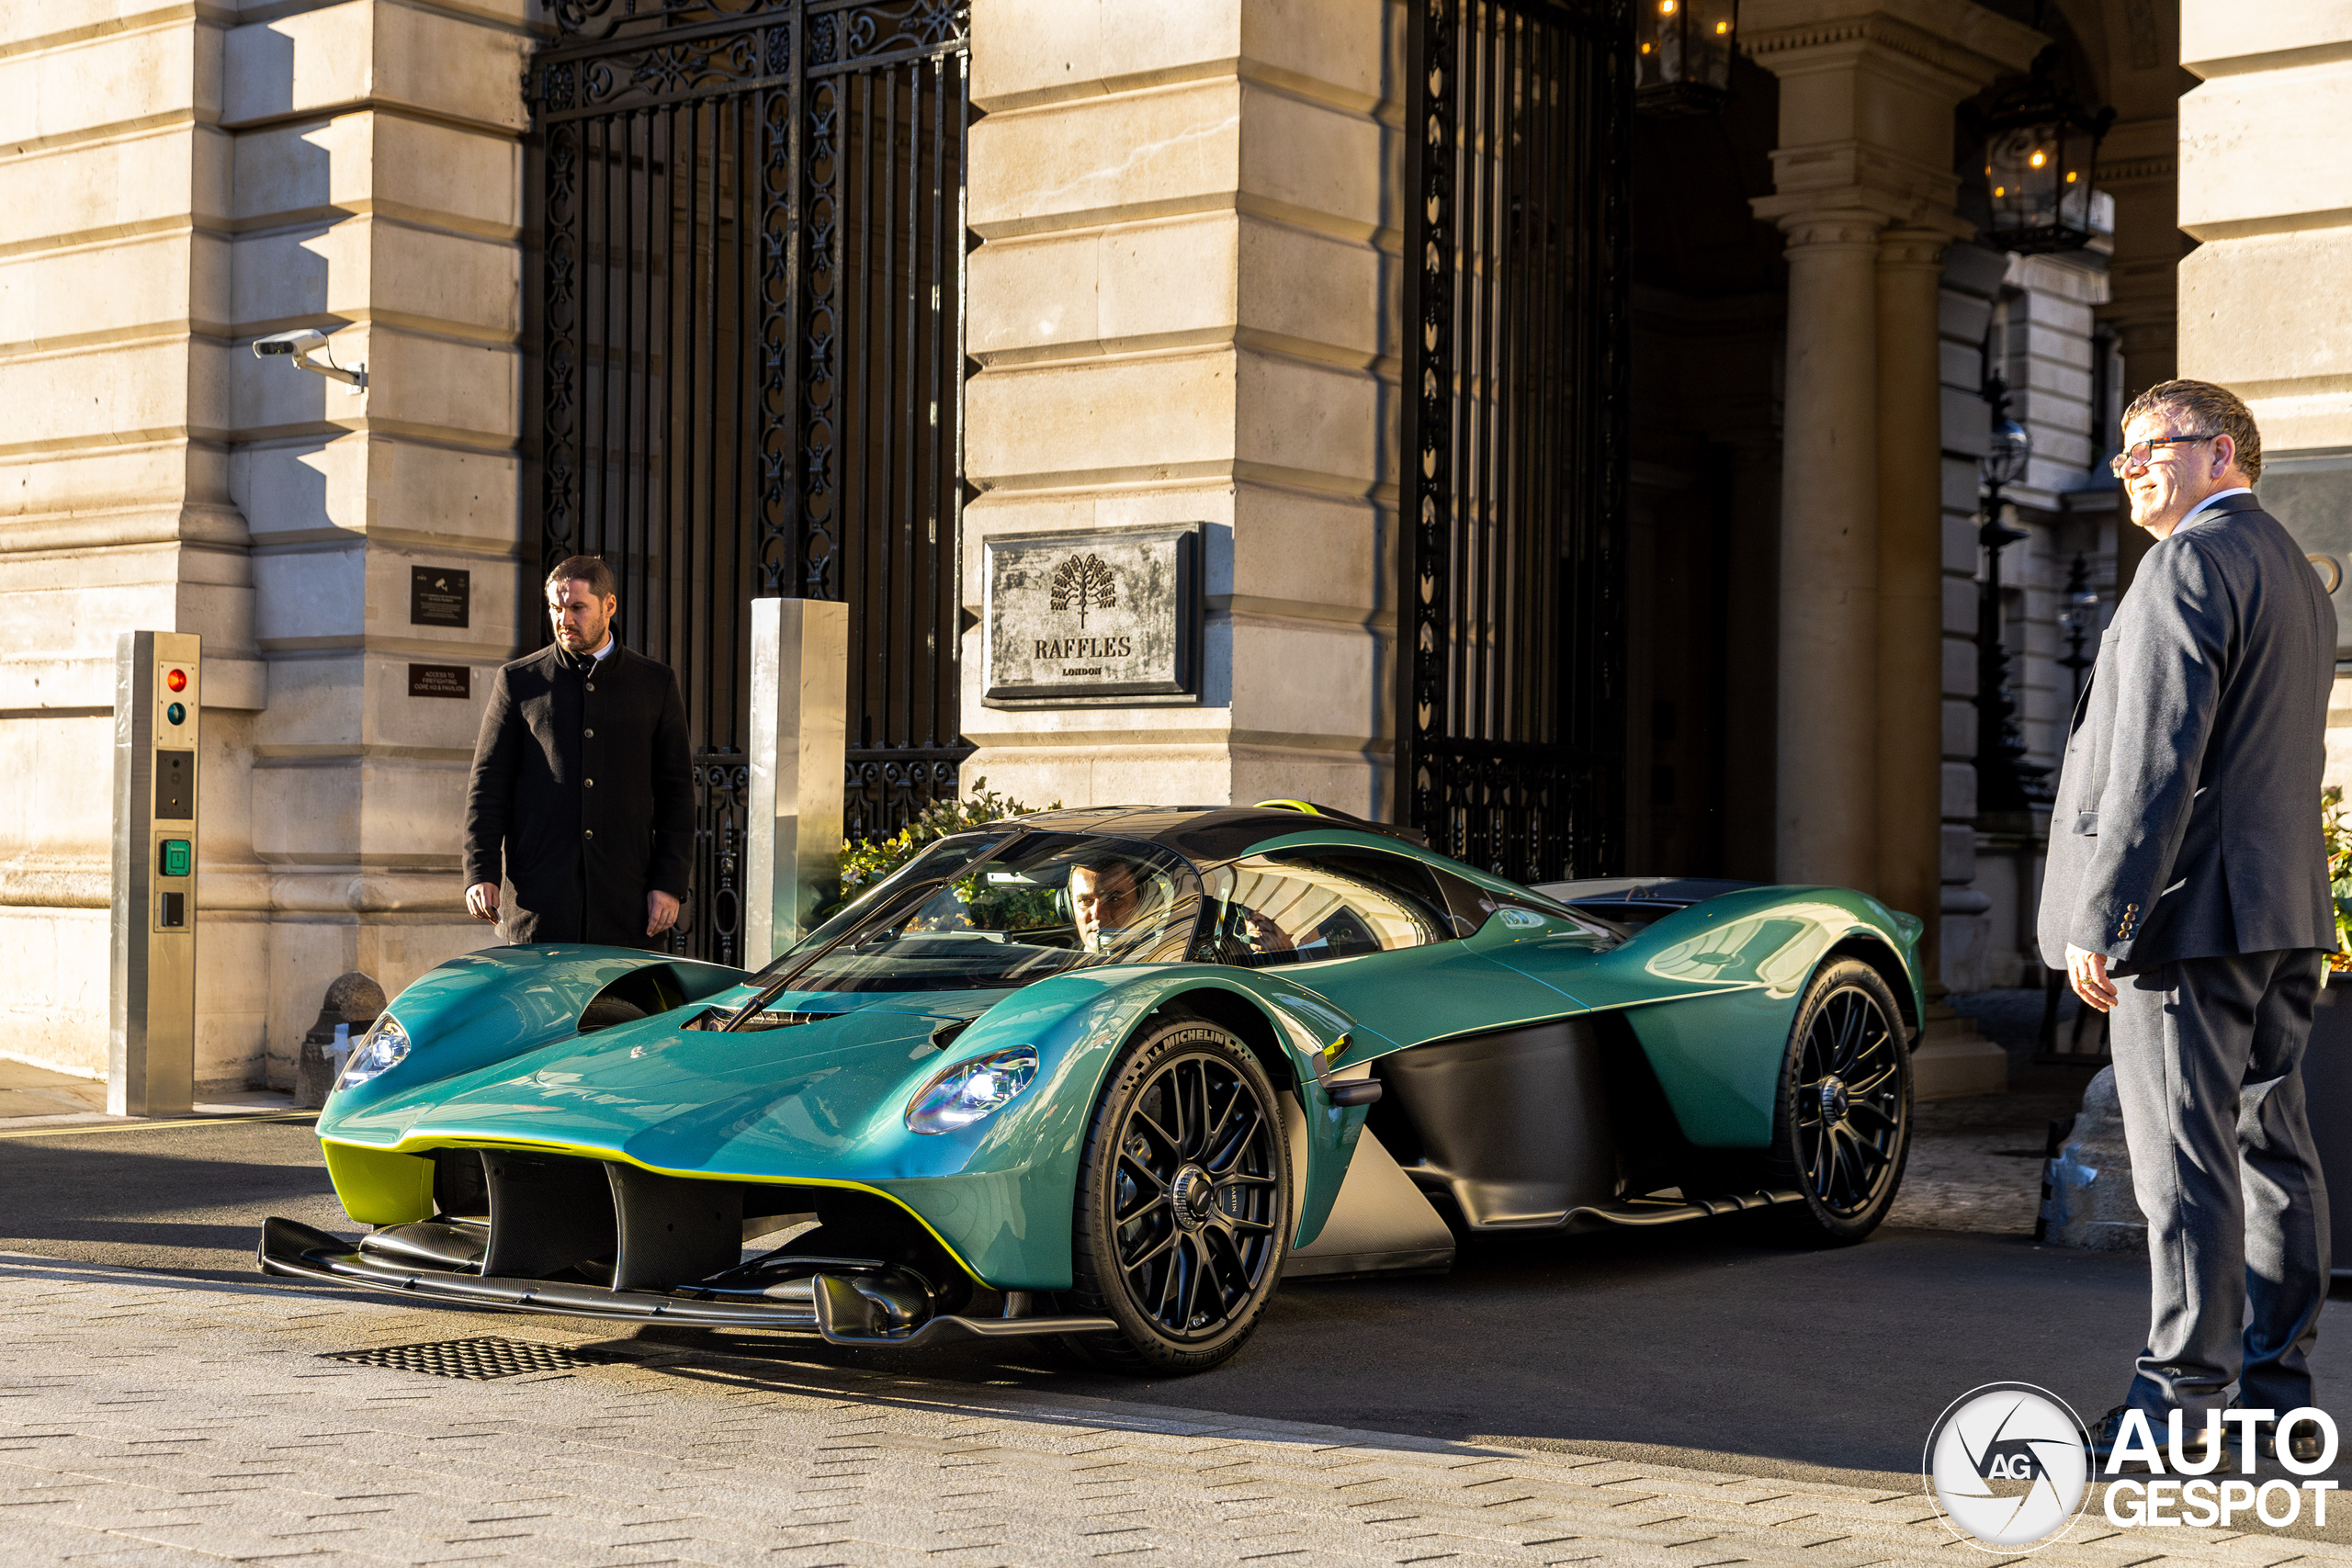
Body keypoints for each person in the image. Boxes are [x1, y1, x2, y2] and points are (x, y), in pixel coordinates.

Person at [2037, 380, 2337, 1464]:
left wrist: (2105, 916)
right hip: (2279, 912)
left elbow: (2157, 764)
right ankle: (2270, 1401)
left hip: (2186, 915)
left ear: (2220, 453)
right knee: (2269, 1153)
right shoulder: (2300, 576)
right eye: (2121, 457)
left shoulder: (2188, 565)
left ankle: (2178, 1410)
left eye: (2147, 449)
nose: (2130, 471)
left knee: (2185, 1164)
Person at [463, 556, 693, 947]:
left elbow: (677, 793)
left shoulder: (655, 683)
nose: (563, 619)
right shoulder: (519, 681)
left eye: (576, 608)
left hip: (627, 902)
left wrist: (669, 883)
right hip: (539, 902)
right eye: (556, 607)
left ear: (609, 606)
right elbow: (488, 784)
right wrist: (480, 870)